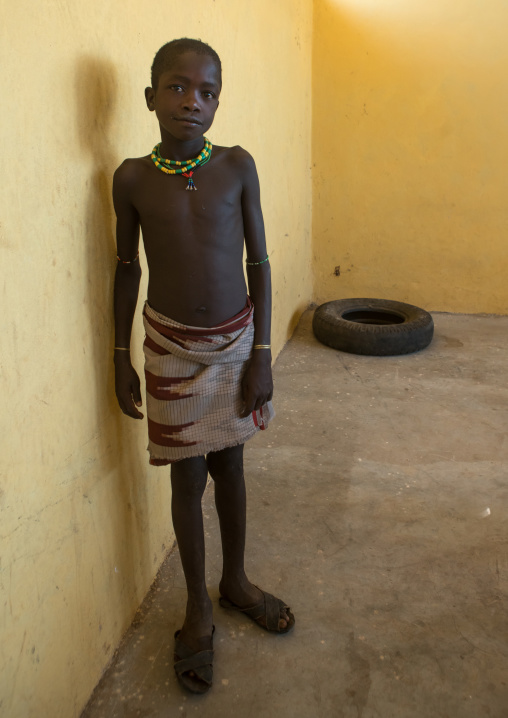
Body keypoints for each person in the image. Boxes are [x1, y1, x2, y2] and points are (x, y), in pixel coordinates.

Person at [112, 38, 295, 694]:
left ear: (219, 101)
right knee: (187, 479)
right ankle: (195, 609)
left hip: (235, 346)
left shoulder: (237, 166)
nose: (193, 101)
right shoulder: (131, 177)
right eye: (178, 87)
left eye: (208, 91)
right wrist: (119, 356)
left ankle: (235, 581)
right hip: (168, 346)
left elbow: (260, 265)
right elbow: (127, 267)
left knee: (232, 466)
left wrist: (263, 354)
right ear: (151, 96)